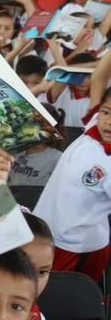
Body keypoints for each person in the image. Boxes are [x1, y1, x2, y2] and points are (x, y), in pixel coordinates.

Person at [33, 89, 111, 281]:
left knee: (61, 299)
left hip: (76, 246)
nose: (109, 121)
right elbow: (99, 76)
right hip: (46, 231)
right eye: (106, 112)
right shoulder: (94, 128)